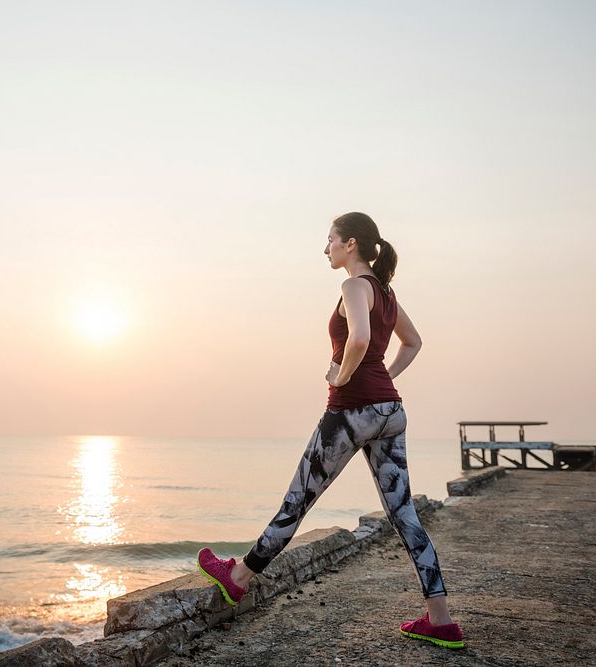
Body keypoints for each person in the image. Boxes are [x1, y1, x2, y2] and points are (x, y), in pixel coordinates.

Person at [197, 212, 466, 649]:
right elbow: (413, 342)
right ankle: (442, 620)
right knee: (406, 516)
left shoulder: (354, 286)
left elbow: (359, 339)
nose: (326, 249)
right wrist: (386, 381)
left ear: (351, 244)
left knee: (298, 500)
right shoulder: (387, 293)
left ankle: (239, 577)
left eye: (330, 240)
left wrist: (339, 378)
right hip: (390, 412)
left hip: (350, 413)